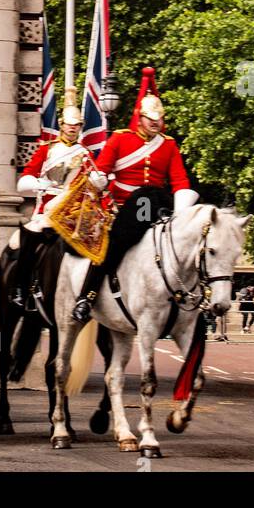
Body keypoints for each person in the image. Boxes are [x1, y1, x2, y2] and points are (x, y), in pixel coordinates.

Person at [72, 67, 197, 323]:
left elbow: (179, 180)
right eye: (150, 118)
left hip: (155, 206)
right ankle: (88, 296)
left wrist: (184, 211)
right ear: (140, 117)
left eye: (158, 119)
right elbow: (103, 170)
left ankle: (191, 298)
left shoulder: (169, 144)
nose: (155, 123)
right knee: (112, 246)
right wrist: (99, 179)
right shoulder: (120, 139)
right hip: (123, 207)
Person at [13, 93, 95, 310]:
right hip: (45, 212)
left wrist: (99, 182)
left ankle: (89, 295)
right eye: (69, 125)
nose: (72, 129)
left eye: (76, 126)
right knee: (29, 239)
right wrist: (42, 184)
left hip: (73, 214)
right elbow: (24, 181)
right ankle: (22, 287)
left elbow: (92, 187)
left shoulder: (86, 155)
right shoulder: (46, 150)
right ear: (61, 125)